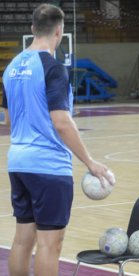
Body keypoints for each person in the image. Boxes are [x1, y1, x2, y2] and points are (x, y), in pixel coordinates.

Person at [1, 4, 113, 276]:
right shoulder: (53, 68)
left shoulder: (11, 67)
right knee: (50, 245)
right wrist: (90, 162)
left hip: (18, 161)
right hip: (48, 166)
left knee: (22, 239)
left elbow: (9, 121)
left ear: (32, 30)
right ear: (59, 32)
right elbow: (61, 121)